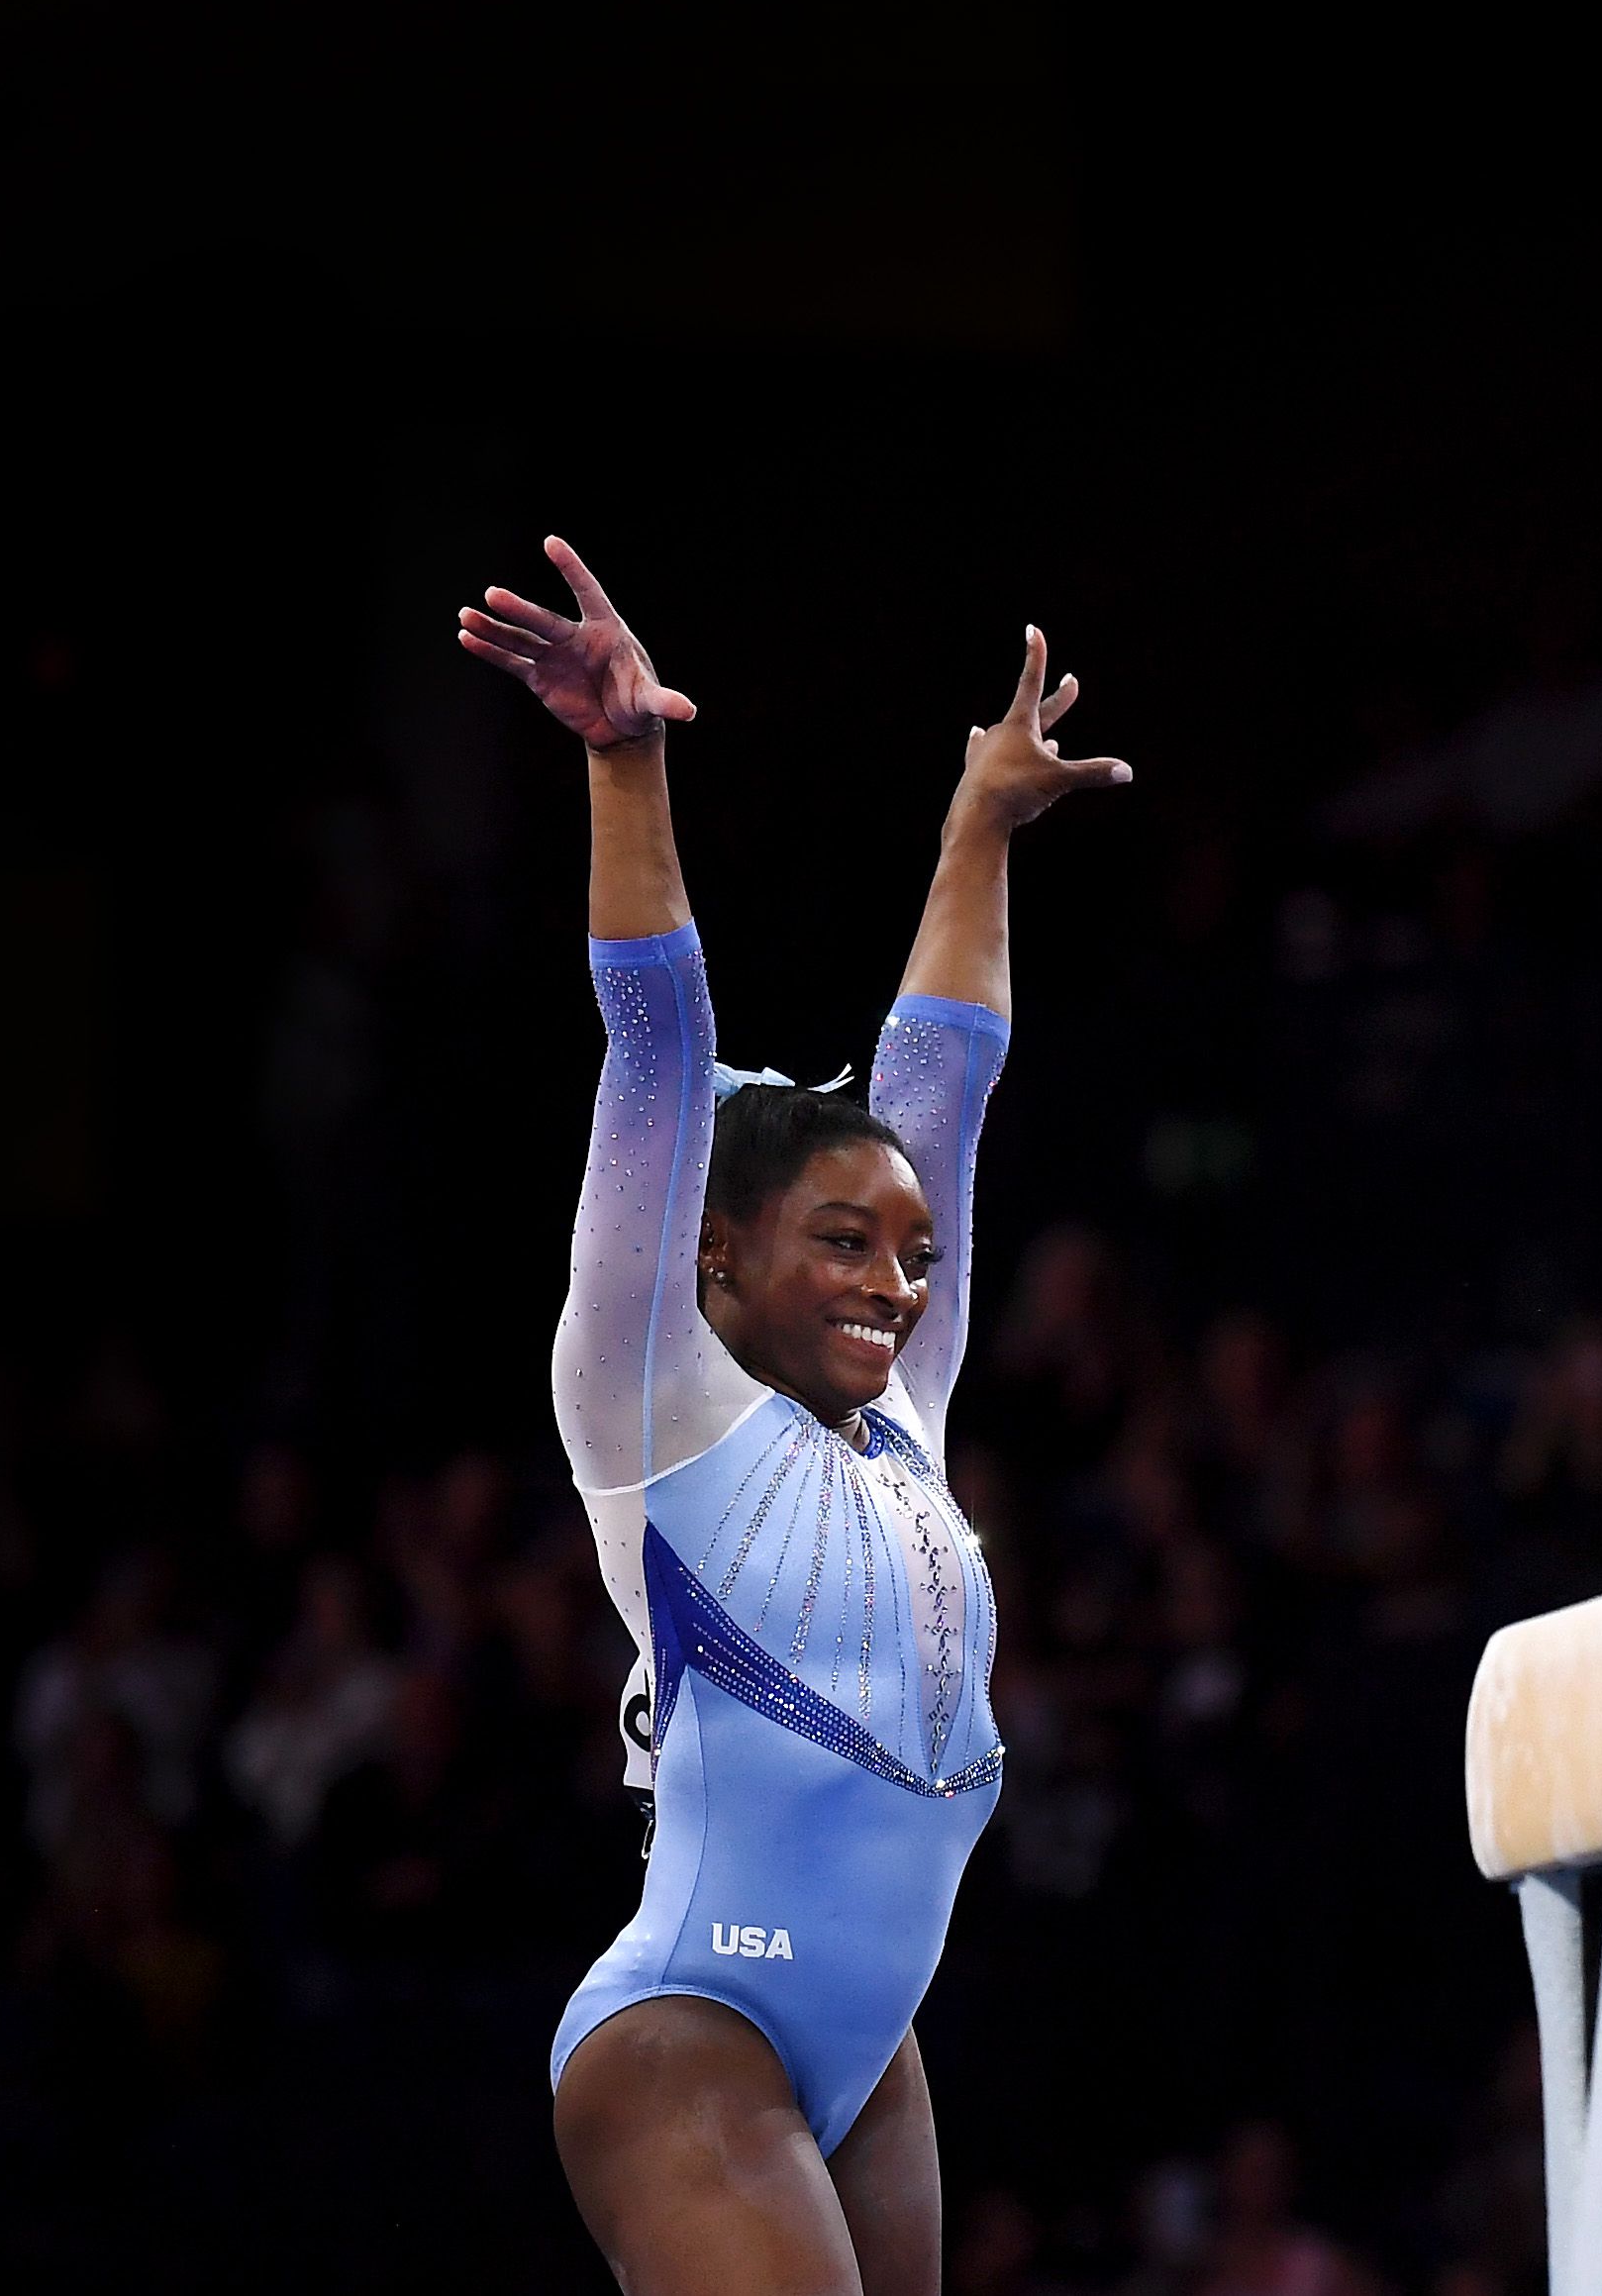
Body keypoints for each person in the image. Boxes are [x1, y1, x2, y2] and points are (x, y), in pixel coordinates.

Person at [455, 538, 1129, 2293]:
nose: (897, 1285)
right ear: (716, 1255)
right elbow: (659, 1047)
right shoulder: (651, 1406)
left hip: (869, 2054)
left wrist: (977, 828)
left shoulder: (901, 1415)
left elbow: (945, 1081)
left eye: (913, 1253)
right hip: (693, 2032)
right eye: (843, 1243)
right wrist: (626, 756)